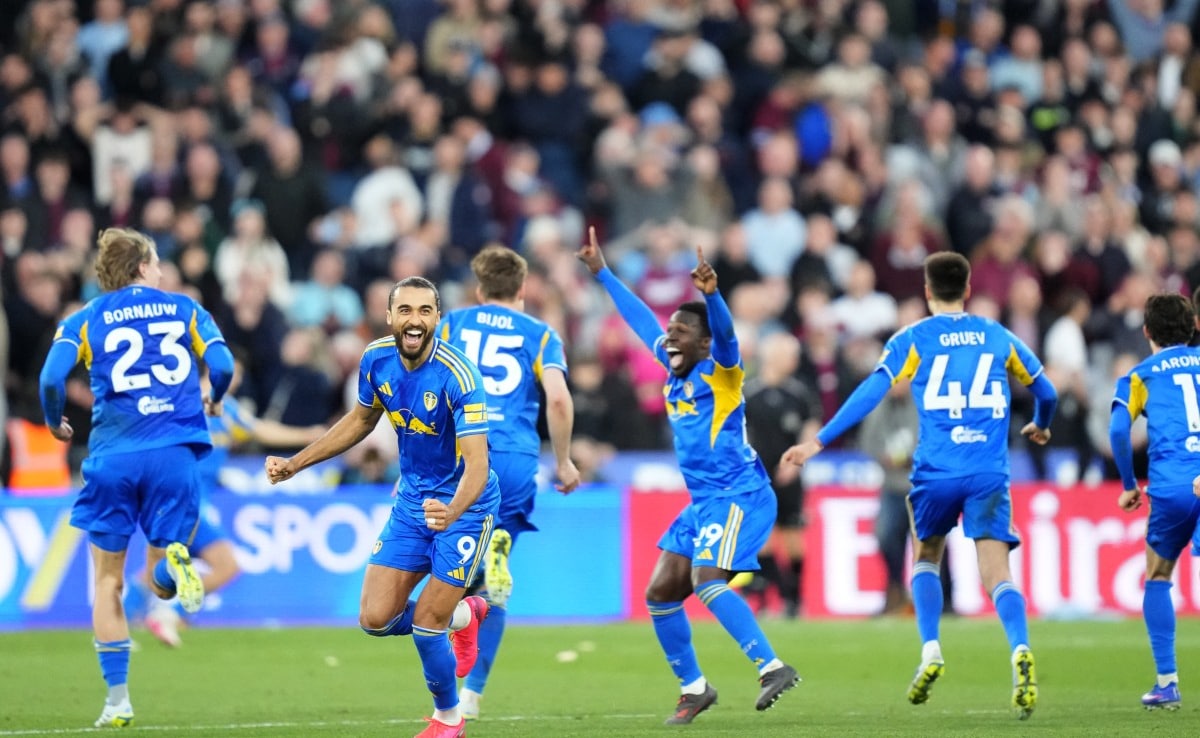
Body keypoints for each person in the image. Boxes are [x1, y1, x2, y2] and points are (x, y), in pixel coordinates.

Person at [781, 252, 1057, 720]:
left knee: (926, 556)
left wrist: (818, 442)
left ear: (927, 292)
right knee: (997, 573)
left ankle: (930, 649)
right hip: (988, 470)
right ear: (967, 290)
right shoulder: (998, 335)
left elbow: (871, 390)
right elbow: (1046, 391)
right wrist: (1042, 425)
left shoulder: (912, 338)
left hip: (935, 471)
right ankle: (1019, 649)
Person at [577, 228, 800, 725]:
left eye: (680, 332)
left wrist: (713, 296)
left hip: (740, 495)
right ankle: (694, 688)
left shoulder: (722, 373)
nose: (669, 338)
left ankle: (772, 666)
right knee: (660, 594)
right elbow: (641, 320)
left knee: (707, 580)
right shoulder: (673, 366)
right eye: (670, 331)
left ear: (703, 343)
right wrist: (603, 273)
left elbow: (727, 336)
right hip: (704, 502)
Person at [265, 276, 499, 738]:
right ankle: (466, 615)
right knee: (375, 619)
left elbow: (478, 464)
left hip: (465, 507)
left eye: (425, 311)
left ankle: (449, 719)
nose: (415, 320)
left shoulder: (459, 375)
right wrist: (297, 463)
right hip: (412, 501)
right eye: (405, 310)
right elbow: (360, 420)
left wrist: (452, 511)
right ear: (389, 316)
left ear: (437, 318)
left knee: (427, 625)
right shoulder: (375, 359)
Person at [38, 227, 235, 728]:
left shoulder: (83, 318)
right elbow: (222, 364)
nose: (163, 270)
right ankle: (173, 569)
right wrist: (214, 397)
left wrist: (54, 421)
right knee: (159, 580)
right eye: (158, 262)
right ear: (143, 266)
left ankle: (118, 701)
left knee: (108, 580)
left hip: (114, 456)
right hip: (175, 454)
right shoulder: (186, 309)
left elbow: (50, 378)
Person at [437, 245, 581, 720]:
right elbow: (557, 399)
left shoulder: (452, 325)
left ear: (479, 290)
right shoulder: (541, 335)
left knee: (449, 574)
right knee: (493, 588)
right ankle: (473, 695)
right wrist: (563, 461)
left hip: (464, 455)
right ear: (522, 289)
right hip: (517, 460)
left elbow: (429, 388)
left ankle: (450, 689)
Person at [140, 357, 327, 647]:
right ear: (213, 370)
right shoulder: (196, 403)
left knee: (157, 567)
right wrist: (309, 435)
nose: (235, 380)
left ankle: (121, 623)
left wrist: (308, 436)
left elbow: (259, 429)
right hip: (186, 501)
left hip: (176, 500)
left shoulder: (217, 407)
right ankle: (169, 614)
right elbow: (259, 430)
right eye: (232, 373)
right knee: (226, 566)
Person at [1110, 293, 1200, 711]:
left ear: (1146, 331)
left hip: (1172, 487)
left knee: (1158, 574)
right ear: (1192, 327)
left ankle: (1167, 684)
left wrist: (1130, 484)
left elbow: (1117, 431)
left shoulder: (1139, 376)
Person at [742, 331, 820, 618]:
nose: (795, 361)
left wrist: (798, 461)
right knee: (761, 538)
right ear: (773, 357)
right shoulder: (749, 393)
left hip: (790, 476)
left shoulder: (799, 393)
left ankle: (795, 599)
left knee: (793, 539)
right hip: (757, 478)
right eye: (790, 355)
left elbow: (811, 426)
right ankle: (771, 596)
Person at [858, 377, 919, 616]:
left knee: (932, 543)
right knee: (886, 538)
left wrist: (910, 457)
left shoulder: (922, 404)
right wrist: (886, 458)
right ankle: (895, 592)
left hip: (921, 487)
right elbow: (868, 443)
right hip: (892, 486)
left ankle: (943, 600)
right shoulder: (879, 410)